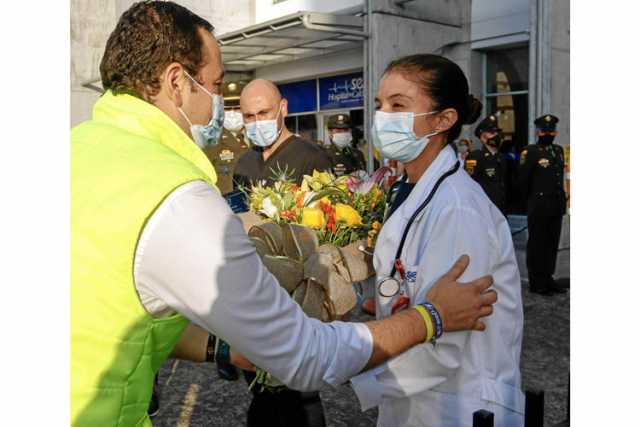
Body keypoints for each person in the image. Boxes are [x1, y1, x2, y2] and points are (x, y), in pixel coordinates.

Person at [71, 3, 497, 426]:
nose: (222, 105)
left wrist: (224, 348)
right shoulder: (172, 193)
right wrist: (431, 317)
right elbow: (304, 354)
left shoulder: (77, 150)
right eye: (217, 85)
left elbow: (127, 313)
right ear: (177, 82)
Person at [349, 54, 525, 427]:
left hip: (459, 404)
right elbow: (404, 275)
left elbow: (445, 343)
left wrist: (350, 368)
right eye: (380, 104)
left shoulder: (458, 209)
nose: (383, 117)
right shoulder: (410, 188)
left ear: (444, 119)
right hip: (417, 397)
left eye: (399, 105)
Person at [233, 79, 332, 187]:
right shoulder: (244, 163)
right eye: (249, 116)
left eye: (264, 113)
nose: (257, 122)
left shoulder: (312, 158)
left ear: (283, 108)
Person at [518, 114, 568, 296]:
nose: (549, 133)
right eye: (546, 130)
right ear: (538, 132)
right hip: (538, 205)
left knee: (551, 243)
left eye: (552, 130)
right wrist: (530, 202)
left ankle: (548, 278)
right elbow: (523, 181)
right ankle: (537, 282)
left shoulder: (558, 150)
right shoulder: (530, 152)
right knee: (537, 244)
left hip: (555, 204)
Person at [203, 81, 250, 196]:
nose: (233, 113)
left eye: (237, 108)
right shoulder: (210, 143)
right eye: (228, 109)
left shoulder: (258, 139)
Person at [465, 113, 507, 215]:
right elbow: (469, 184)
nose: (497, 135)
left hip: (501, 209)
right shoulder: (476, 157)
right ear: (483, 138)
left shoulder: (501, 158)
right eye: (492, 133)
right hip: (484, 210)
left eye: (497, 132)